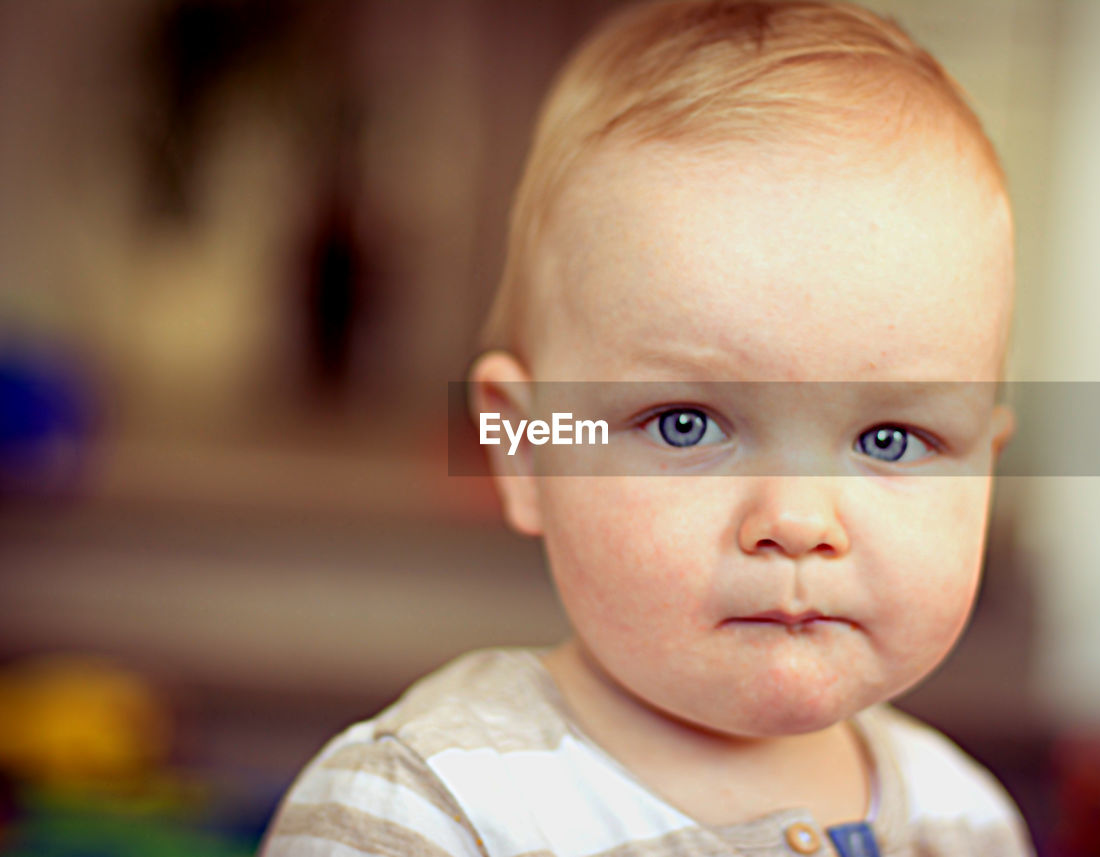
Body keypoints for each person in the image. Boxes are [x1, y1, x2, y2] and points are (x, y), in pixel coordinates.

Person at [259, 1, 1032, 854]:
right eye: (685, 424)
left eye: (889, 438)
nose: (799, 523)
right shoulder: (433, 805)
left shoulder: (969, 819)